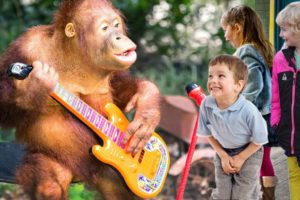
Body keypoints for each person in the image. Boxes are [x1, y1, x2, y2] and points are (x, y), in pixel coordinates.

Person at [220, 5, 277, 199]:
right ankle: (268, 196)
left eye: (225, 29)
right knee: (263, 161)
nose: (225, 36)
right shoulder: (261, 48)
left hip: (255, 117)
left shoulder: (246, 50)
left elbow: (254, 85)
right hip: (265, 116)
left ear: (236, 27)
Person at [198, 54, 268, 200]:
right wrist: (223, 156)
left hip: (249, 152)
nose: (213, 80)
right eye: (210, 76)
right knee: (223, 195)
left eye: (221, 76)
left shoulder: (248, 110)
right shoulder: (206, 104)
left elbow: (260, 140)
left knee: (242, 195)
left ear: (238, 85)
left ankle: (254, 194)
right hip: (223, 150)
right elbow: (207, 133)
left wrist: (241, 157)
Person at [271, 2, 300, 200]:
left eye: (284, 29)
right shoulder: (280, 59)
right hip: (291, 132)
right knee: (294, 176)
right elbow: (275, 95)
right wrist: (276, 121)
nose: (281, 34)